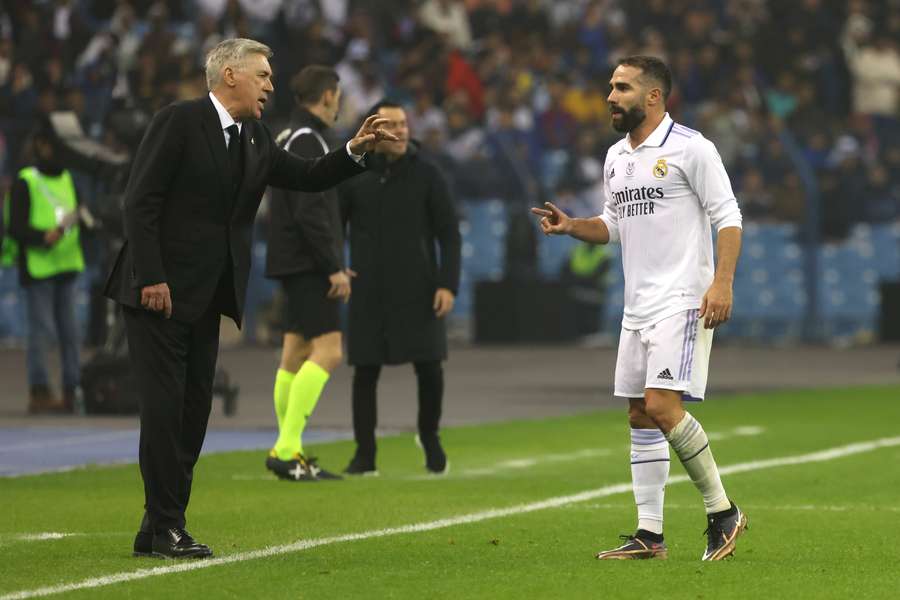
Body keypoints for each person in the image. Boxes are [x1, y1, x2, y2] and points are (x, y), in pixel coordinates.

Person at [103, 38, 396, 560]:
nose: (270, 86)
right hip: (158, 294)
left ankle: (156, 524)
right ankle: (170, 524)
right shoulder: (178, 121)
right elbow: (140, 201)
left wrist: (355, 151)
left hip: (207, 297)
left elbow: (306, 177)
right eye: (262, 75)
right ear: (229, 75)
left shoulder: (254, 137)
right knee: (165, 411)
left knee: (193, 414)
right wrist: (152, 276)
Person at [532, 56, 747, 561]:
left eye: (622, 87)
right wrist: (572, 226)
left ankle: (723, 511)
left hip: (683, 298)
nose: (610, 96)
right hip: (637, 306)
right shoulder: (615, 158)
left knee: (661, 406)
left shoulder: (692, 148)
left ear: (654, 96)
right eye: (610, 86)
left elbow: (729, 216)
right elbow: (612, 225)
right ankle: (650, 535)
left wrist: (723, 283)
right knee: (638, 414)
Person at [339, 100, 461, 476]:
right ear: (374, 130)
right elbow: (331, 225)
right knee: (365, 371)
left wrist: (447, 284)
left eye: (405, 123)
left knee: (430, 368)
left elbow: (449, 234)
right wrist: (336, 265)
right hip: (368, 288)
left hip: (419, 287)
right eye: (392, 124)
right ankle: (365, 453)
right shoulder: (353, 174)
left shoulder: (428, 173)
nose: (402, 130)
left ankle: (430, 436)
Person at [264, 65, 350, 481]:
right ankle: (286, 448)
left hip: (292, 258)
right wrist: (331, 265)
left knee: (295, 353)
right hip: (307, 262)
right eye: (338, 96)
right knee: (329, 351)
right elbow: (309, 211)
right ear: (329, 96)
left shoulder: (288, 134)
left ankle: (289, 448)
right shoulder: (308, 139)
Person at [3, 120, 85, 414]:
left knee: (71, 333)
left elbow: (80, 213)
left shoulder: (68, 179)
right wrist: (42, 237)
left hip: (66, 265)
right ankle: (39, 392)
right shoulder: (26, 180)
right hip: (38, 268)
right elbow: (14, 227)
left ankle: (71, 391)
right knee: (42, 333)